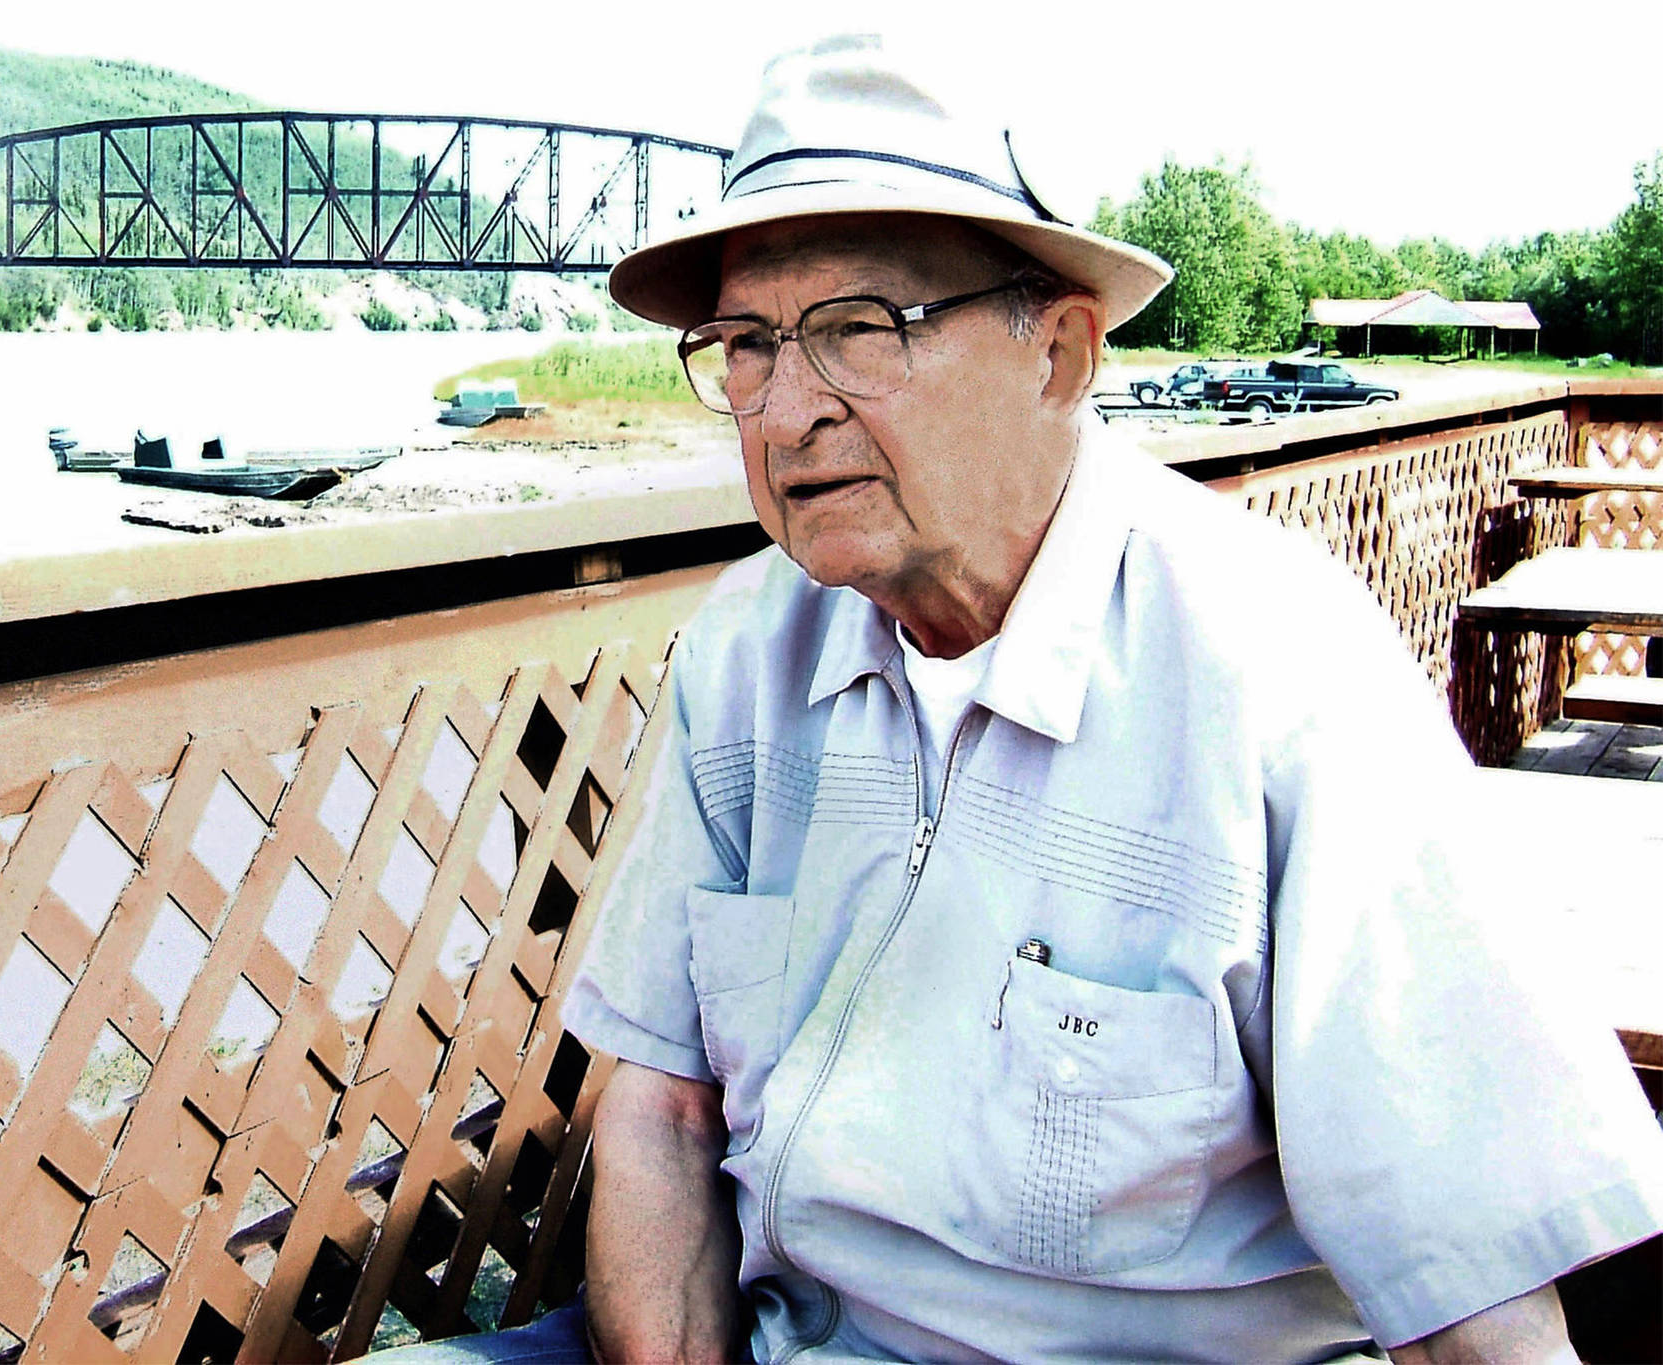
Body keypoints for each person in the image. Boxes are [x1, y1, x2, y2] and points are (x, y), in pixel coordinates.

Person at [378, 34, 1663, 1365]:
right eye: (747, 344)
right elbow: (660, 1106)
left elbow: (1470, 1291)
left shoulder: (1275, 678)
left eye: (855, 331)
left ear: (1058, 355)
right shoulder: (746, 651)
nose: (781, 410)